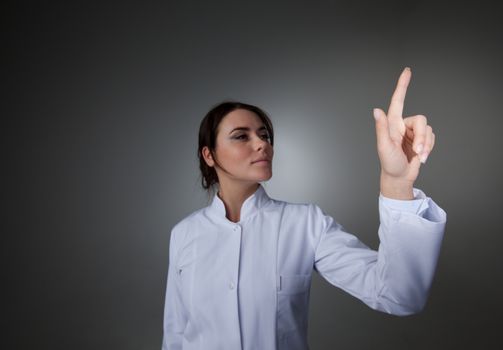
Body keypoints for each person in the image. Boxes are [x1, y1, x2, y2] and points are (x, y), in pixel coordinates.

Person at [161, 67, 447, 350]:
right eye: (241, 136)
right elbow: (175, 334)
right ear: (209, 155)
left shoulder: (306, 223)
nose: (262, 144)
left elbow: (399, 296)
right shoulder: (184, 234)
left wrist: (396, 183)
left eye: (264, 135)